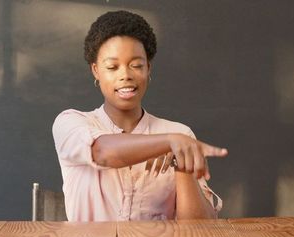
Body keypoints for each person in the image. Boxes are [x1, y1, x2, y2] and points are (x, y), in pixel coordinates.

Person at [52, 10, 228, 222]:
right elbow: (102, 152)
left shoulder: (179, 133)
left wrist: (181, 166)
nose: (125, 75)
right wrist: (168, 143)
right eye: (112, 67)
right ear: (96, 71)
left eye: (136, 65)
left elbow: (201, 228)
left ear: (148, 69)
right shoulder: (70, 122)